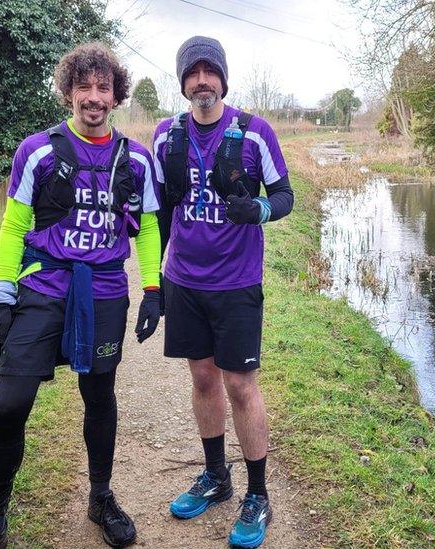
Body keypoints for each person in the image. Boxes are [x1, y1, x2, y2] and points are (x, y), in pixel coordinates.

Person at [0, 42, 162, 549]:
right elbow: (14, 225)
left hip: (103, 292)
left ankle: (100, 497)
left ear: (116, 96)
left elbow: (146, 227)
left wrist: (152, 290)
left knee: (99, 396)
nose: (93, 97)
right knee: (10, 404)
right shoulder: (38, 150)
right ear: (68, 92)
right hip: (42, 289)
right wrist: (3, 297)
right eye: (83, 87)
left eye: (103, 87)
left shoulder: (136, 159)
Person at [152, 36, 294, 549]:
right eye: (193, 73)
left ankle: (258, 494)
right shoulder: (165, 136)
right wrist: (157, 281)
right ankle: (216, 476)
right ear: (184, 82)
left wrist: (257, 210)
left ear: (223, 80)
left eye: (210, 72)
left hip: (236, 283)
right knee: (203, 378)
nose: (202, 81)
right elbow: (159, 210)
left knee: (241, 384)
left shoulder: (255, 134)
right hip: (185, 280)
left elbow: (284, 197)